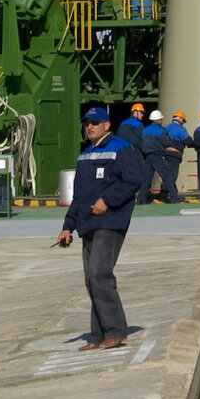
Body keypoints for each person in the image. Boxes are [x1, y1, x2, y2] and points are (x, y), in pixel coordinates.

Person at [56, 99, 150, 350]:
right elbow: (79, 197)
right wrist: (68, 227)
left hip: (111, 221)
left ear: (107, 124)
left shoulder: (121, 148)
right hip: (88, 224)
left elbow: (134, 180)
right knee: (91, 279)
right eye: (87, 123)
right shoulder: (85, 155)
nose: (90, 127)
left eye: (95, 123)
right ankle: (98, 335)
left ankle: (115, 331)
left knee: (100, 273)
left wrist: (107, 200)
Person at [161, 109, 190, 203]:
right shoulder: (180, 129)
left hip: (165, 153)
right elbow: (188, 141)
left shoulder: (166, 127)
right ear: (181, 119)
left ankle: (165, 193)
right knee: (173, 175)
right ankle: (171, 195)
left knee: (166, 174)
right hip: (174, 154)